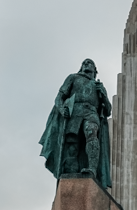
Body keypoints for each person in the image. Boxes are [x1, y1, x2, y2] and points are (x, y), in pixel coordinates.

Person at [38, 58, 112, 187]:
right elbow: (60, 97)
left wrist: (103, 95)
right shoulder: (73, 78)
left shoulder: (99, 85)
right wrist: (61, 109)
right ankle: (71, 171)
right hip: (75, 112)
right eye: (84, 63)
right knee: (72, 145)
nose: (86, 64)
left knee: (91, 133)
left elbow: (108, 110)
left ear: (95, 70)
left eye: (90, 63)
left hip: (91, 112)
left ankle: (92, 169)